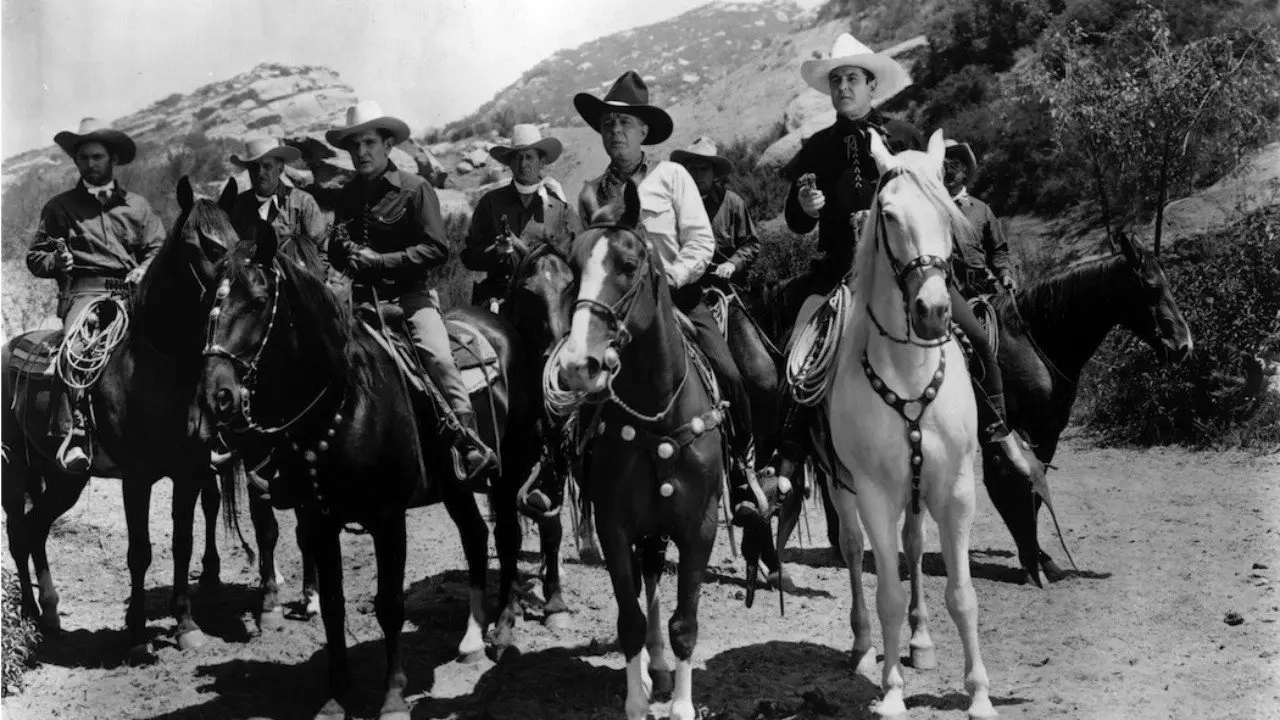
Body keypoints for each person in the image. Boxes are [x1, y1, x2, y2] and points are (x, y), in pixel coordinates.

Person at [769, 35, 1040, 494]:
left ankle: (995, 434)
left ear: (871, 84)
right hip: (840, 275)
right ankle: (787, 462)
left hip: (913, 272)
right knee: (797, 354)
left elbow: (935, 204)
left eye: (852, 78)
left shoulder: (906, 136)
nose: (842, 87)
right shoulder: (816, 149)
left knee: (978, 342)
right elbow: (795, 222)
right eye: (836, 80)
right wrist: (806, 207)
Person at [573, 71, 755, 515]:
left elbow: (701, 241)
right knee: (575, 387)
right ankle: (569, 472)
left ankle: (743, 475)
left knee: (731, 374)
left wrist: (672, 276)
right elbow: (590, 259)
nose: (616, 131)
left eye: (625, 123)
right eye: (608, 125)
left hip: (678, 300)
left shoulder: (672, 176)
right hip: (617, 314)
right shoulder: (590, 193)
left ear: (644, 131)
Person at [324, 101, 497, 485]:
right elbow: (336, 251)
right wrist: (342, 249)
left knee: (438, 357)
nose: (361, 152)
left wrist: (380, 261)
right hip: (359, 304)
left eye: (369, 142)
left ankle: (468, 443)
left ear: (388, 145)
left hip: (409, 300)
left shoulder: (415, 189)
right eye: (354, 146)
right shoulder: (347, 195)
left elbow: (438, 248)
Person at [26, 118, 166, 472]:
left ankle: (196, 430)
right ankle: (73, 432)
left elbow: (158, 249)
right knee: (75, 348)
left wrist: (145, 268)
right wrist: (56, 259)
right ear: (76, 161)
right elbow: (34, 257)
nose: (91, 164)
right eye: (84, 157)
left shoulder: (138, 206)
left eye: (98, 157)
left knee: (179, 339)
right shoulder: (60, 207)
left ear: (113, 159)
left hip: (133, 293)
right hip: (84, 293)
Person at [462, 124, 581, 310]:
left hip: (546, 306)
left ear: (542, 161)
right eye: (517, 158)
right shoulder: (490, 203)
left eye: (529, 157)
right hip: (497, 302)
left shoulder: (560, 209)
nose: (523, 164)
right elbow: (469, 257)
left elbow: (577, 257)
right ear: (509, 163)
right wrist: (496, 251)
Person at [227, 137, 328, 274]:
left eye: (267, 166)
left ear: (280, 167)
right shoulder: (239, 205)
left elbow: (324, 249)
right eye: (254, 168)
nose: (260, 173)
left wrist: (313, 278)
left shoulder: (302, 203)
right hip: (253, 285)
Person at [670, 137, 761, 285]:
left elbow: (751, 244)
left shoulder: (732, 203)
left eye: (704, 169)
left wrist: (732, 264)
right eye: (693, 169)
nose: (698, 175)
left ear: (714, 173)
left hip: (727, 288)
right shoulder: (672, 206)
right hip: (684, 288)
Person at [943, 139, 1016, 297]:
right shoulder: (930, 209)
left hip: (984, 289)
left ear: (964, 169)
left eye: (954, 165)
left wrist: (1005, 274)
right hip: (949, 293)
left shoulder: (981, 209)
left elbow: (998, 250)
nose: (948, 171)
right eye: (943, 165)